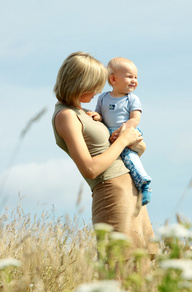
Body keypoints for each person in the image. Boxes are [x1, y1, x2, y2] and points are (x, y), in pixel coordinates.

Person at [52, 51, 157, 262]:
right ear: (79, 83)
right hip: (112, 192)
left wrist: (135, 143)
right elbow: (90, 168)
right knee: (119, 266)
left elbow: (120, 147)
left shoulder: (85, 113)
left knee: (143, 265)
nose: (99, 90)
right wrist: (123, 140)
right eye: (94, 85)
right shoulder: (66, 116)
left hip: (130, 188)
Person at [87, 57, 152, 206]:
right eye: (129, 76)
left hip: (127, 130)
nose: (134, 80)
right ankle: (131, 188)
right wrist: (97, 117)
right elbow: (100, 115)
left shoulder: (132, 99)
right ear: (113, 80)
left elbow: (135, 119)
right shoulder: (103, 97)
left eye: (136, 77)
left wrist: (123, 129)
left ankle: (144, 182)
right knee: (115, 162)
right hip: (109, 133)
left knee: (130, 157)